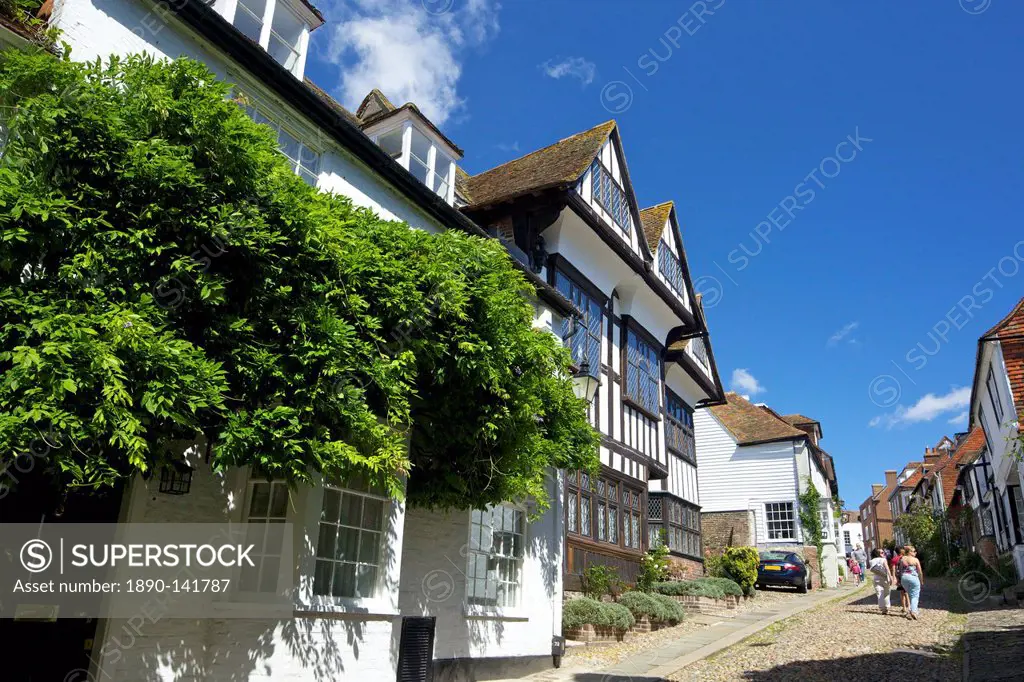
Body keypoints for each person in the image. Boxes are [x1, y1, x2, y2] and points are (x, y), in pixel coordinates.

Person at [899, 544, 925, 619]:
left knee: (910, 594)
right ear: (910, 552)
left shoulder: (902, 559)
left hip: (904, 578)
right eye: (914, 551)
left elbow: (900, 570)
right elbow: (920, 572)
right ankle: (913, 611)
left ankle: (913, 609)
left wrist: (900, 580)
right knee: (915, 596)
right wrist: (921, 580)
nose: (915, 553)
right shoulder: (915, 560)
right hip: (913, 578)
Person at [868, 548, 895, 614]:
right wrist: (891, 578)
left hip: (876, 579)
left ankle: (882, 608)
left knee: (879, 593)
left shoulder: (871, 561)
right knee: (886, 593)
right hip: (885, 578)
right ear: (878, 554)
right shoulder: (883, 560)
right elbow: (887, 569)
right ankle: (887, 607)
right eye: (882, 552)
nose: (883, 554)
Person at [892, 547, 910, 612]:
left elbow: (894, 570)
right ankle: (909, 606)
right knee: (906, 592)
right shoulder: (906, 558)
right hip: (906, 575)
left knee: (902, 593)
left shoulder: (894, 559)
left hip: (899, 577)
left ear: (896, 552)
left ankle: (904, 607)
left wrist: (894, 578)